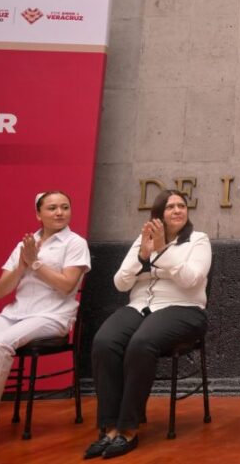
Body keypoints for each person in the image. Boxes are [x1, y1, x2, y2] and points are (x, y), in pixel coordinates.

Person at [0, 191, 90, 456]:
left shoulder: (75, 243)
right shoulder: (25, 244)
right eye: (52, 208)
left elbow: (67, 285)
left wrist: (35, 263)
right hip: (15, 313)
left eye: (65, 207)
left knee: (1, 342)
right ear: (38, 214)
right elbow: (1, 290)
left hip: (52, 316)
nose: (60, 212)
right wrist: (22, 266)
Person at [83, 190, 211, 459]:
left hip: (184, 308)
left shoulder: (198, 240)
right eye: (170, 207)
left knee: (142, 342)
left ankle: (128, 428)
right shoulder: (142, 240)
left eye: (182, 206)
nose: (178, 210)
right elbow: (121, 283)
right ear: (158, 215)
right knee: (105, 342)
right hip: (140, 306)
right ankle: (109, 428)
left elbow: (191, 280)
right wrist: (142, 256)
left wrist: (162, 251)